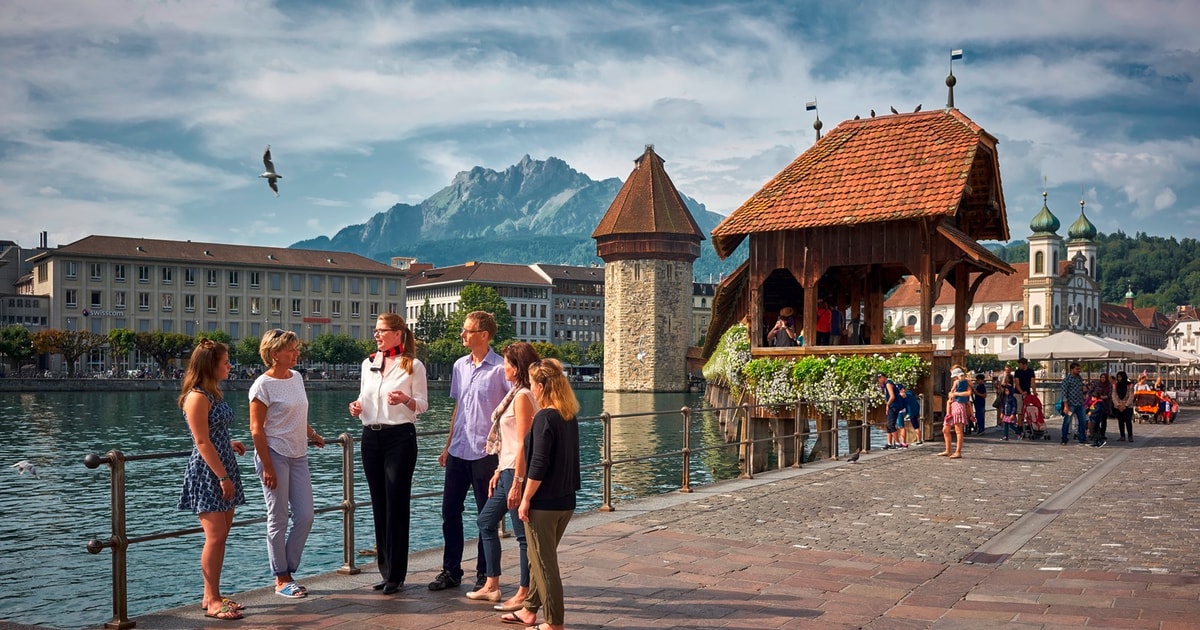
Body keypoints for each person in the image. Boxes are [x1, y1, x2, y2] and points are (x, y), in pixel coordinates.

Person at [498, 358, 581, 630]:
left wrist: (525, 498)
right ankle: (530, 610)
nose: (531, 389)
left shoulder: (545, 416)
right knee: (539, 558)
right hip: (565, 500)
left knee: (545, 565)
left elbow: (539, 463)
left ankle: (554, 623)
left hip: (544, 503)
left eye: (533, 384)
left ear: (543, 386)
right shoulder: (568, 414)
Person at [431, 311, 509, 592]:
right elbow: (459, 409)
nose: (462, 334)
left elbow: (510, 411)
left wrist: (505, 452)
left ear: (484, 335)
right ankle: (451, 571)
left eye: (467, 330)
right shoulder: (459, 366)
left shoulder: (501, 369)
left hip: (485, 453)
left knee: (484, 516)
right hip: (458, 450)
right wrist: (447, 445)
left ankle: (484, 575)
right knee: (449, 511)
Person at [350, 313, 428, 595]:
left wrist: (406, 399)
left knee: (397, 504)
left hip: (400, 438)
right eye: (376, 331)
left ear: (398, 333)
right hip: (371, 437)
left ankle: (397, 574)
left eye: (382, 330)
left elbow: (422, 405)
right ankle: (385, 570)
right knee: (378, 504)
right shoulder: (368, 363)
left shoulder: (413, 366)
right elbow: (364, 398)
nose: (377, 335)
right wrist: (356, 407)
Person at [249, 329, 325, 599]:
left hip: (299, 454)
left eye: (296, 348)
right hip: (274, 455)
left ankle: (289, 569)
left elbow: (296, 415)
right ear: (274, 354)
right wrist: (267, 466)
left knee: (305, 516)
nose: (296, 353)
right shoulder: (262, 386)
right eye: (291, 349)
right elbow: (256, 430)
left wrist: (312, 435)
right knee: (278, 518)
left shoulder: (296, 378)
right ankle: (281, 578)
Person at [177, 339, 247, 621]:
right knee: (215, 537)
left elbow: (214, 434)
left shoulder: (213, 394)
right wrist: (222, 477)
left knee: (222, 536)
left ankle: (212, 595)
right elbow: (201, 441)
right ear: (211, 365)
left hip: (222, 464)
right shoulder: (197, 397)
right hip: (210, 472)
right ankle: (212, 598)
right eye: (225, 361)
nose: (229, 365)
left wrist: (229, 443)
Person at [471, 341, 540, 610]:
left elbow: (524, 442)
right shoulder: (514, 393)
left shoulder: (523, 396)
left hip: (517, 472)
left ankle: (523, 592)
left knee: (522, 535)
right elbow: (510, 441)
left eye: (507, 363)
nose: (503, 367)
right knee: (486, 521)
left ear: (518, 367)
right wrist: (499, 469)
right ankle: (492, 584)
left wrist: (518, 482)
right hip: (507, 469)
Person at [941, 365, 970, 458]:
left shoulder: (966, 382)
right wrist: (951, 395)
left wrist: (955, 393)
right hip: (953, 404)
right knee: (945, 429)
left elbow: (968, 393)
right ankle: (948, 449)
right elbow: (950, 393)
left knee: (958, 430)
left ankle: (958, 451)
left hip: (959, 404)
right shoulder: (956, 382)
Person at [876, 372, 906, 449]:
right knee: (888, 424)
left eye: (878, 380)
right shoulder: (888, 383)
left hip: (894, 406)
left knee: (891, 424)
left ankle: (897, 443)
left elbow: (892, 396)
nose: (878, 382)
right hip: (893, 406)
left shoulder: (888, 384)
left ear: (881, 377)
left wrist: (887, 404)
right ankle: (889, 443)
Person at [1060, 362, 1086, 445]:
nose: (1079, 370)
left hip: (1080, 404)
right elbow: (1064, 394)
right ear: (1072, 369)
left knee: (1082, 421)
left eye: (1079, 369)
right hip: (1071, 405)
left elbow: (1081, 389)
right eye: (1077, 369)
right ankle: (1064, 438)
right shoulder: (1067, 380)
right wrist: (1065, 406)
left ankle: (1082, 438)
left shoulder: (1079, 378)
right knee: (1067, 421)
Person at [1112, 371, 1135, 442]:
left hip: (1128, 406)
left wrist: (1125, 405)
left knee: (1128, 421)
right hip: (1118, 406)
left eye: (1120, 377)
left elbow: (1131, 396)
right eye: (1118, 377)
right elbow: (1114, 396)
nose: (1119, 378)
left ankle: (1130, 436)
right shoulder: (1115, 385)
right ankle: (1122, 436)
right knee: (1120, 421)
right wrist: (1118, 405)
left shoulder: (1130, 385)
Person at [1013, 358, 1036, 432]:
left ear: (1024, 364)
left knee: (1027, 410)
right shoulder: (1017, 372)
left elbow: (1033, 383)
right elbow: (1017, 384)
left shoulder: (1031, 372)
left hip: (1027, 393)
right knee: (1019, 411)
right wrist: (1022, 392)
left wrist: (1034, 391)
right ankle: (1020, 427)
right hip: (1018, 393)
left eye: (1020, 364)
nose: (1019, 366)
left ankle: (1028, 425)